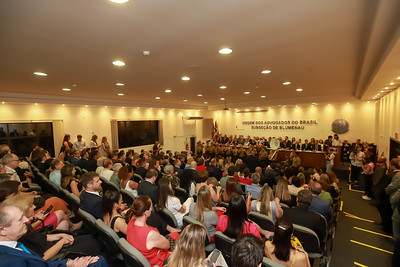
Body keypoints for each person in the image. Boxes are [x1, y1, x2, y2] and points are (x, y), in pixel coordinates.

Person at [0, 204, 106, 267]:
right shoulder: (8, 262)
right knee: (98, 260)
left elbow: (42, 263)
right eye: (20, 219)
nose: (27, 220)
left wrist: (69, 263)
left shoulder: (14, 243)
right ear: (3, 230)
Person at [126, 196, 179, 266]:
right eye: (151, 207)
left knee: (175, 234)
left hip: (144, 255)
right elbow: (167, 245)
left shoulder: (131, 222)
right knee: (180, 242)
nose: (151, 210)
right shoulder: (150, 234)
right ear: (146, 212)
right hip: (156, 262)